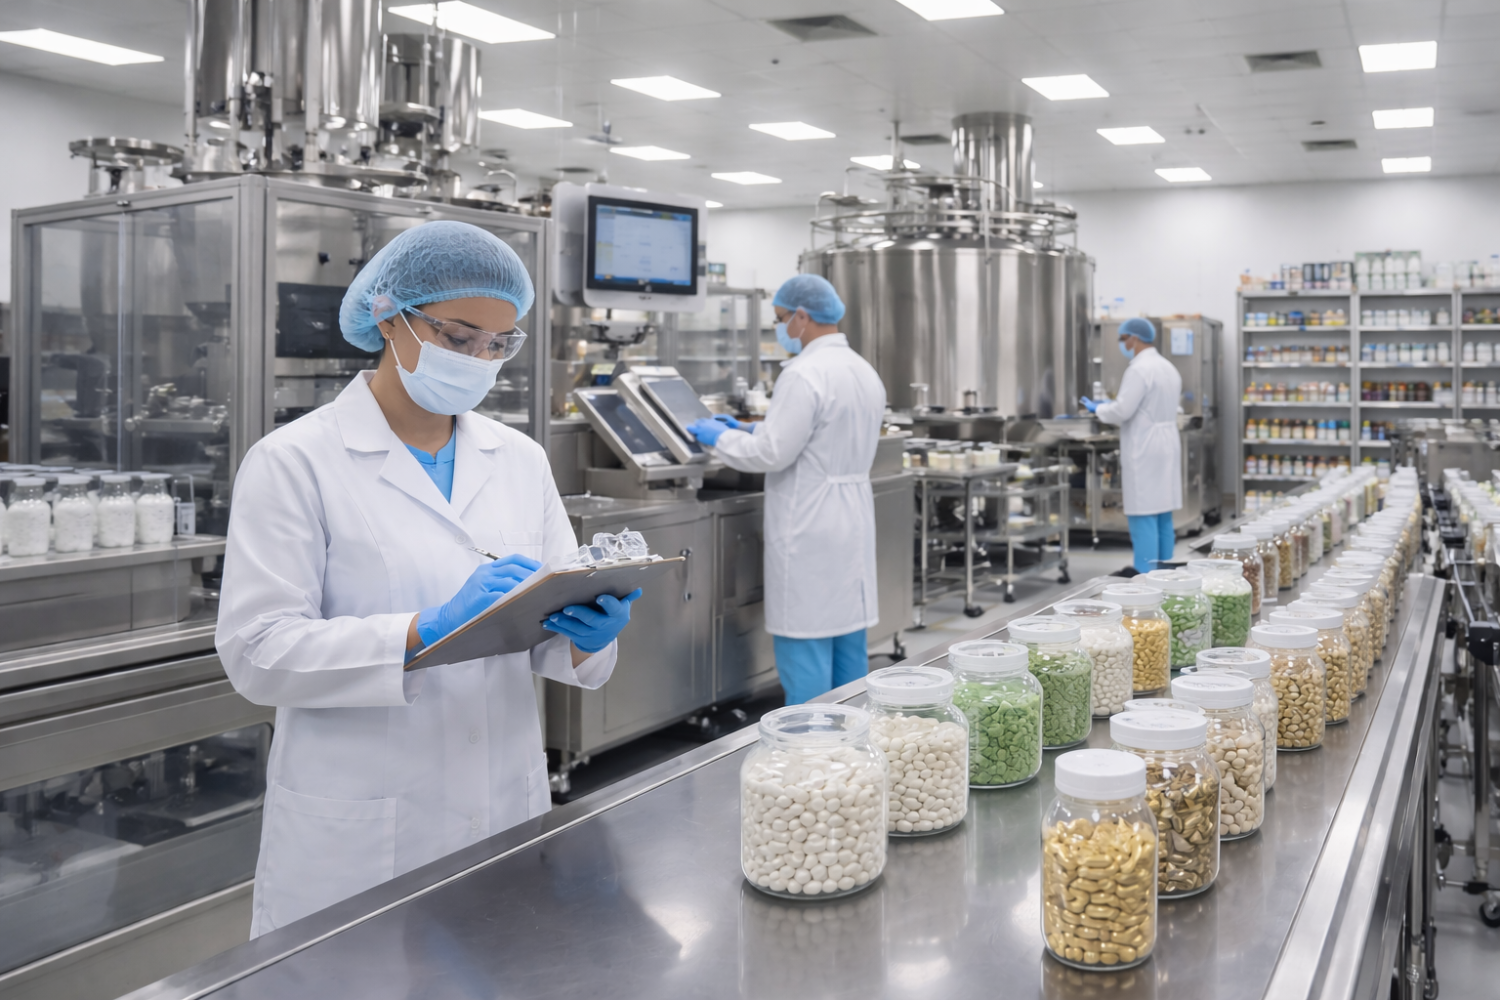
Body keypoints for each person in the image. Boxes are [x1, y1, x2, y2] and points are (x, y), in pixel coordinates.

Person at [216, 221, 639, 936]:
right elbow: (258, 652)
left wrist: (584, 636)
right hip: (363, 826)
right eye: (457, 336)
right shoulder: (294, 461)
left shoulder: (520, 458)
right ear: (390, 317)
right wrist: (423, 633)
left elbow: (543, 625)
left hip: (501, 799)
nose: (479, 359)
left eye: (498, 344)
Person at [684, 275, 887, 705]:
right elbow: (819, 434)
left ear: (801, 316)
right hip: (850, 518)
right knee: (848, 641)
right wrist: (748, 426)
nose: (781, 330)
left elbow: (771, 454)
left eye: (780, 320)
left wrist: (716, 437)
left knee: (805, 636)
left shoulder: (804, 372)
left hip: (809, 523)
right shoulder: (862, 369)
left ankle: (809, 746)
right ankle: (855, 743)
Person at [1080, 317, 1183, 573]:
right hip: (1167, 443)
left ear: (1134, 339)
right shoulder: (1168, 367)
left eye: (1123, 339)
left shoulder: (1139, 369)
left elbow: (1123, 410)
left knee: (1143, 512)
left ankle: (1145, 576)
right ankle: (1166, 572)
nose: (1123, 344)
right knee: (1163, 512)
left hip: (1145, 446)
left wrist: (1099, 408)